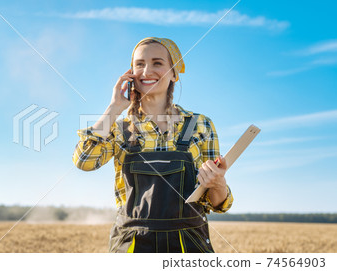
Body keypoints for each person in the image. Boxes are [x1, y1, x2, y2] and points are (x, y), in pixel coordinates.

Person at [72, 37, 233, 253]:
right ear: (130, 75)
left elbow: (216, 203)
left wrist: (218, 182)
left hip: (189, 244)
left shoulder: (200, 125)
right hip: (132, 245)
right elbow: (84, 161)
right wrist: (114, 107)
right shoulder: (119, 128)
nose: (147, 71)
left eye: (157, 63)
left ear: (174, 73)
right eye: (139, 64)